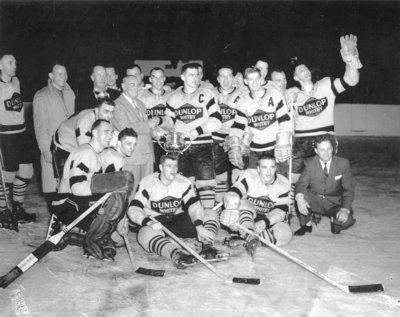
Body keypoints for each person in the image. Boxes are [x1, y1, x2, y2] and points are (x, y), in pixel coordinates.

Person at [52, 119, 133, 261]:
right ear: (94, 133)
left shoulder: (97, 154)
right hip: (67, 204)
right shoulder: (85, 153)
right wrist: (105, 186)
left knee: (118, 240)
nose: (110, 136)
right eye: (106, 131)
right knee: (114, 200)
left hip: (80, 201)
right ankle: (93, 241)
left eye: (111, 132)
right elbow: (76, 188)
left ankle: (73, 236)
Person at [124, 154, 224, 269]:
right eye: (169, 166)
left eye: (175, 166)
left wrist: (199, 226)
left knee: (210, 213)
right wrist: (148, 222)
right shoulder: (148, 182)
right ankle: (176, 253)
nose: (173, 170)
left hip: (178, 220)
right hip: (157, 223)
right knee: (144, 234)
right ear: (161, 167)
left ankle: (207, 247)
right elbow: (133, 209)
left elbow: (194, 206)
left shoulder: (184, 182)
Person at [290, 34, 361, 183]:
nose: (305, 70)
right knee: (295, 180)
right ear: (295, 78)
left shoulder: (326, 84)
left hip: (324, 137)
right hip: (301, 141)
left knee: (326, 180)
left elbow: (351, 80)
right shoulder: (292, 95)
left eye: (306, 68)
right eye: (300, 69)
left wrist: (350, 60)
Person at [165, 62, 222, 212]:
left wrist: (197, 131)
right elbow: (168, 122)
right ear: (182, 76)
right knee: (184, 184)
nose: (195, 78)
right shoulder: (173, 98)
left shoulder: (207, 94)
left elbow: (217, 121)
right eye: (191, 75)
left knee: (206, 184)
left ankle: (209, 218)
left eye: (197, 75)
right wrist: (161, 129)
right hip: (180, 147)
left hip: (202, 145)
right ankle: (190, 218)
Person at [220, 154, 292, 256]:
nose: (268, 172)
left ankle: (246, 240)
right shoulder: (249, 176)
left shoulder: (282, 183)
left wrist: (265, 222)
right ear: (258, 168)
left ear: (275, 168)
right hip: (245, 219)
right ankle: (248, 235)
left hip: (266, 221)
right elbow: (233, 193)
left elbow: (280, 212)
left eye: (271, 167)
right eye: (264, 167)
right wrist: (231, 207)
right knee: (245, 204)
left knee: (285, 234)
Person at [228, 67, 291, 172]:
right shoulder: (243, 101)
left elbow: (284, 120)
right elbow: (238, 126)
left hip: (275, 148)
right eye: (251, 79)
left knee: (279, 182)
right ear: (245, 81)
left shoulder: (275, 95)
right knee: (254, 184)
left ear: (261, 79)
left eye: (257, 79)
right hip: (255, 151)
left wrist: (284, 142)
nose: (254, 82)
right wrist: (235, 146)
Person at [112, 75, 165, 196]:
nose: (136, 88)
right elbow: (124, 128)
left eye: (138, 85)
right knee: (130, 192)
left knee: (146, 192)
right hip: (132, 156)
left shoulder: (140, 103)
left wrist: (154, 132)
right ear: (123, 86)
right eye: (132, 84)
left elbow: (144, 128)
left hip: (147, 154)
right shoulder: (117, 105)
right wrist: (148, 124)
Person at [0, 53, 36, 230]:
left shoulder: (16, 81)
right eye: (9, 62)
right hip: (5, 136)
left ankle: (17, 208)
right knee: (7, 174)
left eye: (15, 62)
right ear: (0, 66)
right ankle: (2, 210)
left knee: (27, 170)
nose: (14, 65)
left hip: (21, 133)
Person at [294, 134, 356, 235]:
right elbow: (301, 183)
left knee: (346, 221)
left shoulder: (343, 163)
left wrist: (344, 209)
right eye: (322, 150)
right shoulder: (310, 163)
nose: (326, 153)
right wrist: (300, 198)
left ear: (333, 148)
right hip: (315, 200)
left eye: (329, 149)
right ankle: (307, 225)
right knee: (300, 196)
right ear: (316, 151)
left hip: (334, 203)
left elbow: (348, 190)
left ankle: (334, 221)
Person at [33, 62, 75, 205]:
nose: (63, 77)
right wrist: (45, 150)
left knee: (70, 189)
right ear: (51, 76)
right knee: (54, 191)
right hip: (53, 149)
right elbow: (40, 127)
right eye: (59, 73)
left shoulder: (70, 93)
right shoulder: (42, 96)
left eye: (65, 73)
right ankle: (56, 223)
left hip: (70, 147)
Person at [52, 98, 115, 180]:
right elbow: (84, 149)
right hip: (64, 145)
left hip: (78, 144)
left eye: (112, 112)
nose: (109, 116)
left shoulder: (106, 120)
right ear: (96, 110)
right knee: (66, 181)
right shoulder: (85, 121)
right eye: (106, 111)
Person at [212, 65, 245, 201]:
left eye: (229, 76)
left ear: (234, 78)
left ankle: (238, 204)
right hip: (215, 139)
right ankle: (218, 205)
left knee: (238, 174)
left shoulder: (242, 93)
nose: (226, 80)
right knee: (219, 176)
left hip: (236, 140)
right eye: (222, 76)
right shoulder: (210, 93)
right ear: (218, 79)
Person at [137, 67, 173, 171]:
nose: (158, 80)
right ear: (150, 79)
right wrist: (150, 130)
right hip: (149, 140)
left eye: (161, 77)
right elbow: (139, 119)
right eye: (155, 77)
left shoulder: (172, 96)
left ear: (164, 78)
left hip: (168, 140)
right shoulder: (141, 96)